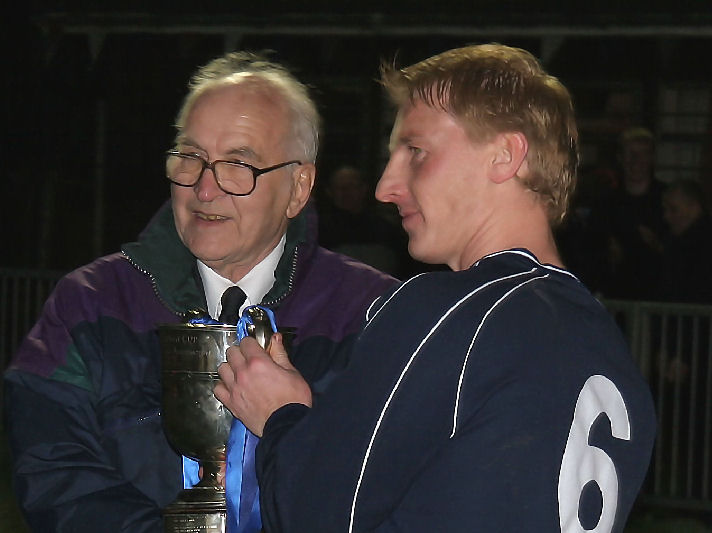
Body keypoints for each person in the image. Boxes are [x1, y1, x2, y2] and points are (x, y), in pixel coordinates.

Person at [215, 44, 657, 532]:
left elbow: (313, 513)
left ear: (505, 156)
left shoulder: (449, 314)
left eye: (416, 152)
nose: (385, 186)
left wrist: (280, 417)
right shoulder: (609, 352)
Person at [3, 51, 398, 532]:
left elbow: (392, 493)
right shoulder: (88, 302)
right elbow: (52, 473)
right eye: (190, 158)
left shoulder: (374, 315)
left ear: (299, 187)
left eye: (238, 164)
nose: (204, 189)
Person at [595, 127, 667, 300]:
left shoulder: (667, 200)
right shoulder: (605, 203)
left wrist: (658, 245)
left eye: (643, 154)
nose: (636, 161)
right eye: (631, 154)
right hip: (616, 297)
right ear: (620, 158)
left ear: (652, 159)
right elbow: (592, 250)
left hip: (657, 299)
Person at [317, 164, 409, 276]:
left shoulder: (385, 230)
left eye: (352, 186)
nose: (346, 193)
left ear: (363, 189)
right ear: (329, 192)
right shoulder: (319, 231)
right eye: (340, 188)